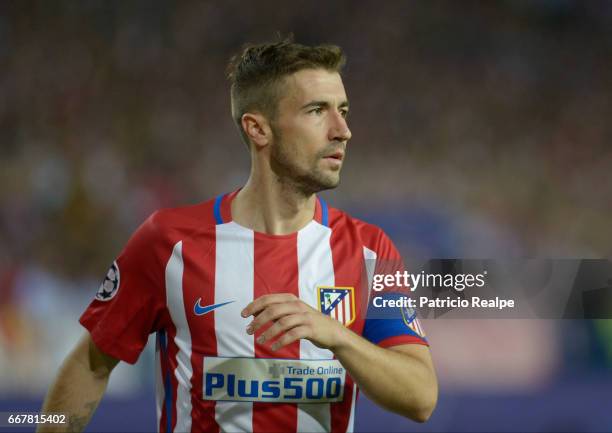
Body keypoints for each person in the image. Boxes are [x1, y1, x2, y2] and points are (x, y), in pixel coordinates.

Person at [39, 37, 438, 433]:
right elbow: (91, 365)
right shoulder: (168, 242)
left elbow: (420, 397)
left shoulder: (370, 249)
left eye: (344, 110)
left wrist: (337, 337)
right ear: (258, 129)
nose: (343, 130)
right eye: (317, 110)